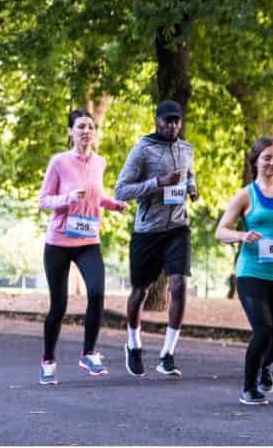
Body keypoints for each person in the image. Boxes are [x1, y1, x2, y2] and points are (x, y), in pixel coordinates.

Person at [216, 137, 273, 405]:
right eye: (267, 157)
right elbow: (220, 231)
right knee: (264, 330)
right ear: (256, 162)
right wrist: (241, 235)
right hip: (252, 272)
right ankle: (249, 388)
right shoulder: (246, 195)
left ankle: (264, 366)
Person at [37, 109, 128, 385]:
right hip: (59, 242)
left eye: (90, 127)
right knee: (59, 306)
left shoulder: (100, 162)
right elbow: (43, 200)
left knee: (98, 292)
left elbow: (96, 195)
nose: (86, 131)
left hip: (88, 240)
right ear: (70, 132)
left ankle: (89, 353)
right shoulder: (59, 162)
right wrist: (67, 198)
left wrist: (113, 205)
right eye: (80, 127)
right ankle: (48, 360)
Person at [114, 100, 199, 378]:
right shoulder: (142, 151)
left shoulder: (187, 149)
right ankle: (134, 344)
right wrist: (157, 183)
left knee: (179, 285)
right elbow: (121, 191)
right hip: (148, 231)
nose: (172, 125)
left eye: (176, 121)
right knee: (140, 291)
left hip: (178, 227)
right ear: (157, 121)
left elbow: (190, 176)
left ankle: (167, 354)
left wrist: (192, 188)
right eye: (167, 121)